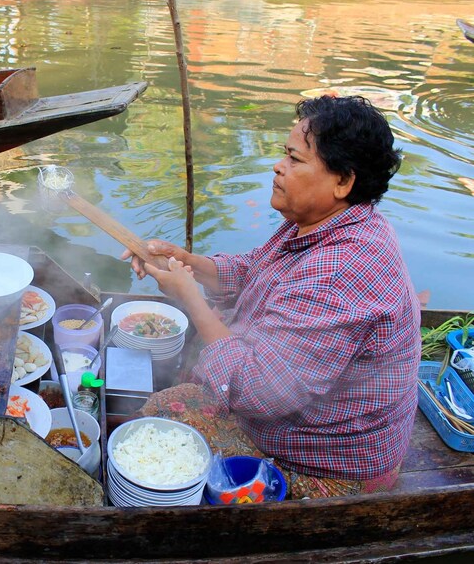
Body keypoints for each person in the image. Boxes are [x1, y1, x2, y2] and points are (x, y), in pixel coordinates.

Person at [121, 95, 421, 499]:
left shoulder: (341, 269)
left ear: (343, 181)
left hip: (325, 463)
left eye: (295, 160)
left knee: (153, 429)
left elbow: (258, 391)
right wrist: (185, 259)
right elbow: (252, 270)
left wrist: (190, 298)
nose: (278, 166)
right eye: (284, 155)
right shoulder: (320, 221)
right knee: (165, 404)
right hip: (292, 415)